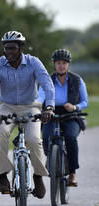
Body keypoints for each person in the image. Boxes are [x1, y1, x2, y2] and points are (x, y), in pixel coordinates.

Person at [0, 30, 55, 199]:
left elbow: (47, 84)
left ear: (21, 48)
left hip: (30, 106)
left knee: (33, 140)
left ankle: (38, 177)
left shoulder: (33, 63)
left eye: (12, 48)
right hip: (6, 107)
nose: (8, 52)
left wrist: (49, 107)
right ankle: (3, 177)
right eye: (6, 48)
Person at [38, 49, 89, 187]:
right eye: (58, 63)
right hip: (51, 113)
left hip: (71, 114)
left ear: (68, 65)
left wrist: (75, 107)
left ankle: (72, 173)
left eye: (64, 63)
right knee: (47, 136)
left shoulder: (77, 80)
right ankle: (50, 157)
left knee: (70, 138)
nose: (61, 65)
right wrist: (38, 106)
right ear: (54, 64)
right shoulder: (47, 80)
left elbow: (85, 102)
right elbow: (41, 96)